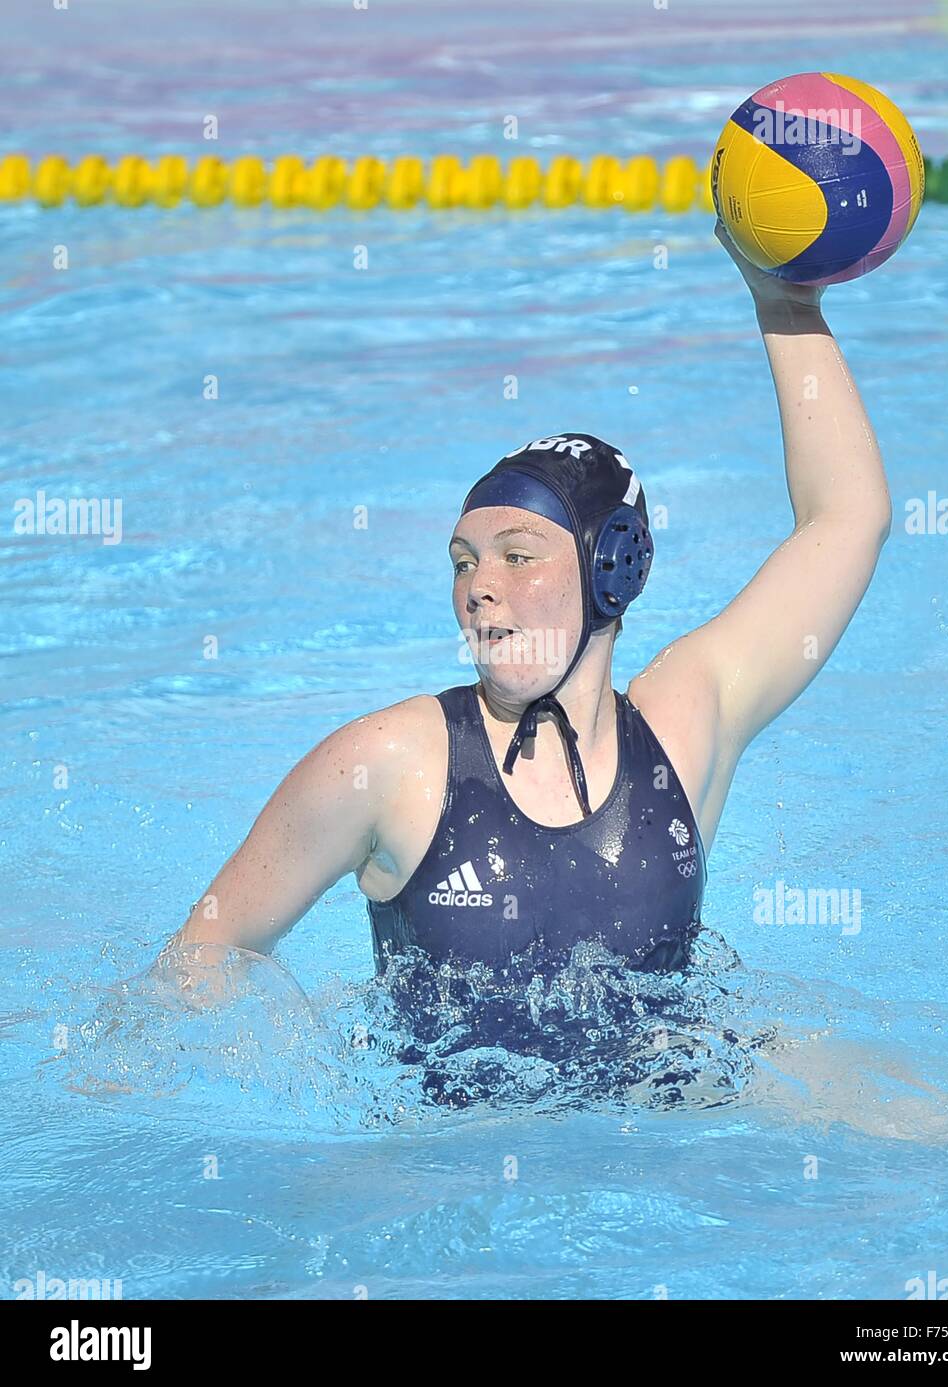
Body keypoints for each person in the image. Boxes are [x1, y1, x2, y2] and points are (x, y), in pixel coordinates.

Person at [161, 219, 892, 990]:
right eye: (463, 562)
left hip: (688, 1107)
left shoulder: (683, 723)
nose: (478, 586)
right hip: (461, 1120)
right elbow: (204, 953)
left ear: (611, 568)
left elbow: (846, 520)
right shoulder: (387, 761)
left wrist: (785, 304)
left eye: (517, 556)